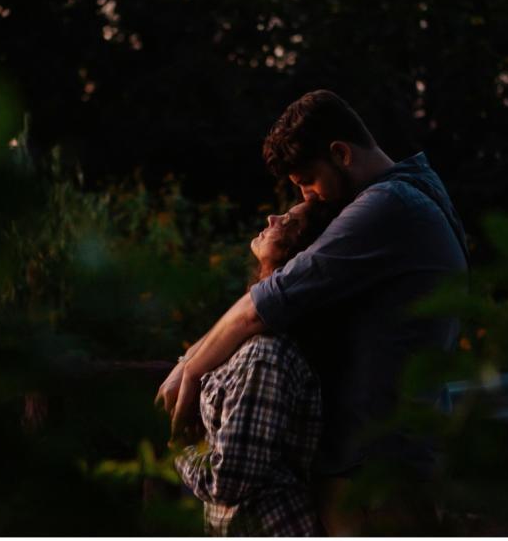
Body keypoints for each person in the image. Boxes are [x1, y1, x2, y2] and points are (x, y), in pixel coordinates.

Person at [157, 89, 469, 534]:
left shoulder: (386, 207)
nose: (309, 198)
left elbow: (263, 306)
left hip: (372, 479)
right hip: (396, 465)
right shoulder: (422, 195)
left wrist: (188, 370)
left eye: (307, 183)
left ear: (340, 153)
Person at [169, 200, 336, 536]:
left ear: (297, 253)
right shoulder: (247, 340)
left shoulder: (266, 354)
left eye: (288, 221)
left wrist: (178, 452)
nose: (272, 217)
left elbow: (228, 480)